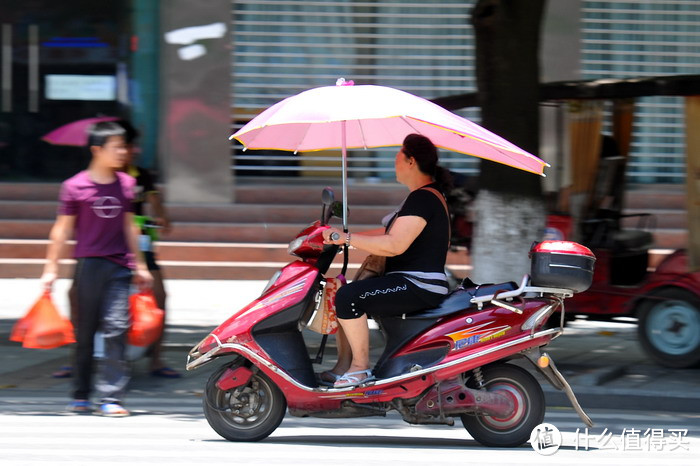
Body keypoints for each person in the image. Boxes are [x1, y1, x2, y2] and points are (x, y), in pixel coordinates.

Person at [321, 134, 452, 388]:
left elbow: (394, 245)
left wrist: (346, 238)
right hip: (411, 282)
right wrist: (341, 238)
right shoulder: (422, 197)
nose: (394, 165)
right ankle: (343, 368)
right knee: (341, 291)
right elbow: (386, 235)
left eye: (397, 159)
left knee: (350, 297)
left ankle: (359, 369)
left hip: (418, 284)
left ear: (411, 161)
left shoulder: (424, 198)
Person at [41, 121, 153, 416]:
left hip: (119, 266)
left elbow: (130, 226)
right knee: (86, 332)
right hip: (88, 266)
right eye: (116, 147)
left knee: (116, 329)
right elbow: (61, 231)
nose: (123, 152)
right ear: (97, 150)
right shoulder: (74, 186)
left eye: (124, 147)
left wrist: (140, 265)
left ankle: (111, 397)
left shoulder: (127, 184)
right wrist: (51, 269)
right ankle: (80, 394)